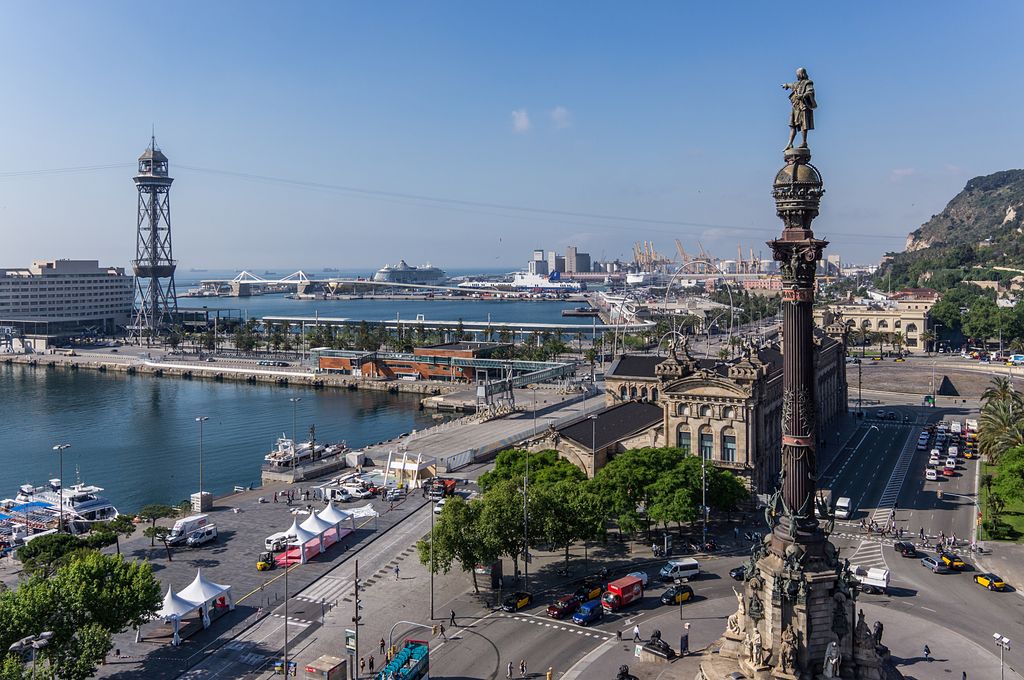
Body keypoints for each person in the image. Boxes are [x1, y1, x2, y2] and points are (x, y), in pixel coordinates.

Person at [782, 67, 816, 149]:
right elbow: (791, 85)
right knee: (792, 125)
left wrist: (803, 95)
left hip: (803, 106)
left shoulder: (808, 83)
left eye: (798, 73)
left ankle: (804, 142)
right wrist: (786, 85)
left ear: (802, 74)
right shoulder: (797, 84)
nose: (797, 75)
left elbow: (810, 91)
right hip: (795, 107)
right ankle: (790, 143)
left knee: (803, 124)